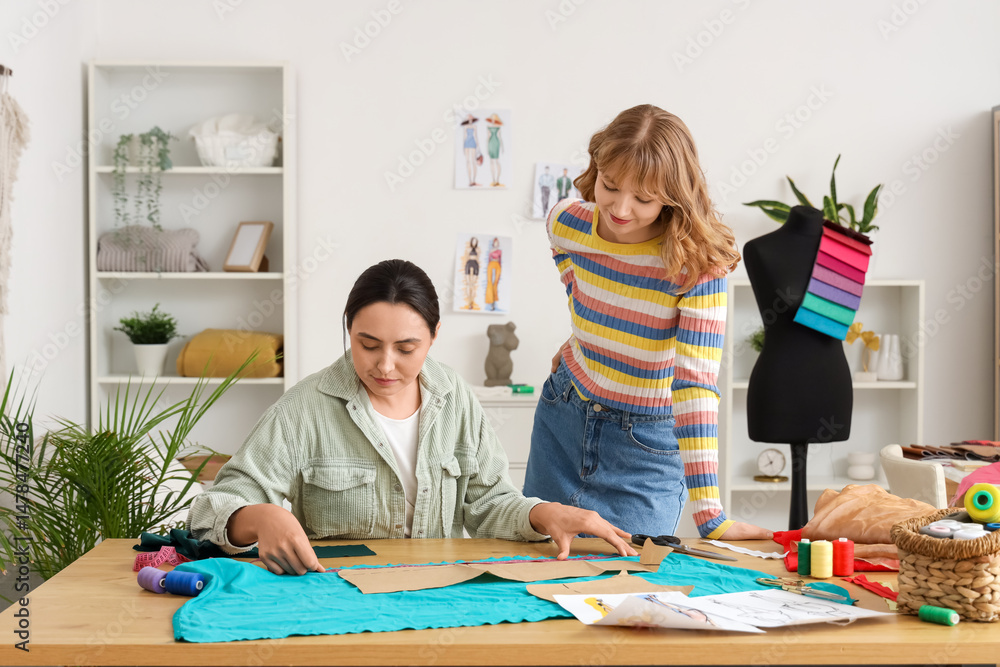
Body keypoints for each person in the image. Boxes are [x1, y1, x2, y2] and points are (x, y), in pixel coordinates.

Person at [188, 259, 637, 575]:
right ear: (349, 331)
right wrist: (261, 516)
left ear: (434, 336)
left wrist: (545, 513)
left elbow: (488, 504)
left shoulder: (454, 397)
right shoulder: (303, 409)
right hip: (338, 597)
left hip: (437, 590)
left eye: (406, 349)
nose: (385, 365)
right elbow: (211, 510)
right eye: (367, 344)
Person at [522, 104, 772, 541]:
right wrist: (583, 328)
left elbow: (694, 385)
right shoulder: (567, 223)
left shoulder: (697, 266)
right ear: (596, 169)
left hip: (644, 447)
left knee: (628, 591)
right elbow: (572, 268)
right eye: (610, 185)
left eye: (643, 198)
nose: (619, 209)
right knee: (536, 568)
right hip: (563, 417)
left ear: (674, 195)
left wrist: (710, 515)